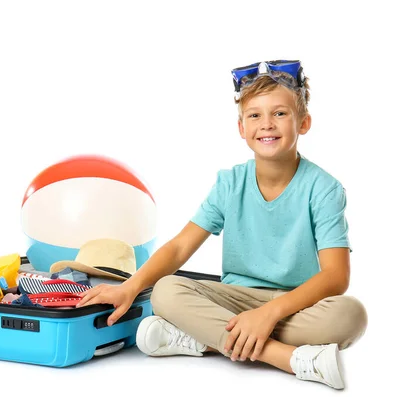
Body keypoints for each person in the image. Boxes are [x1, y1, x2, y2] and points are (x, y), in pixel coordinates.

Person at [77, 60, 368, 390]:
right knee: (166, 290)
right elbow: (180, 247)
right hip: (234, 297)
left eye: (280, 113)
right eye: (255, 115)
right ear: (241, 128)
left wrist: (269, 314)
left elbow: (335, 276)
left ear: (304, 122)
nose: (267, 124)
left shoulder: (324, 189)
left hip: (294, 304)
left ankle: (203, 339)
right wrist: (131, 286)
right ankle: (287, 358)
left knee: (350, 315)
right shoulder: (230, 183)